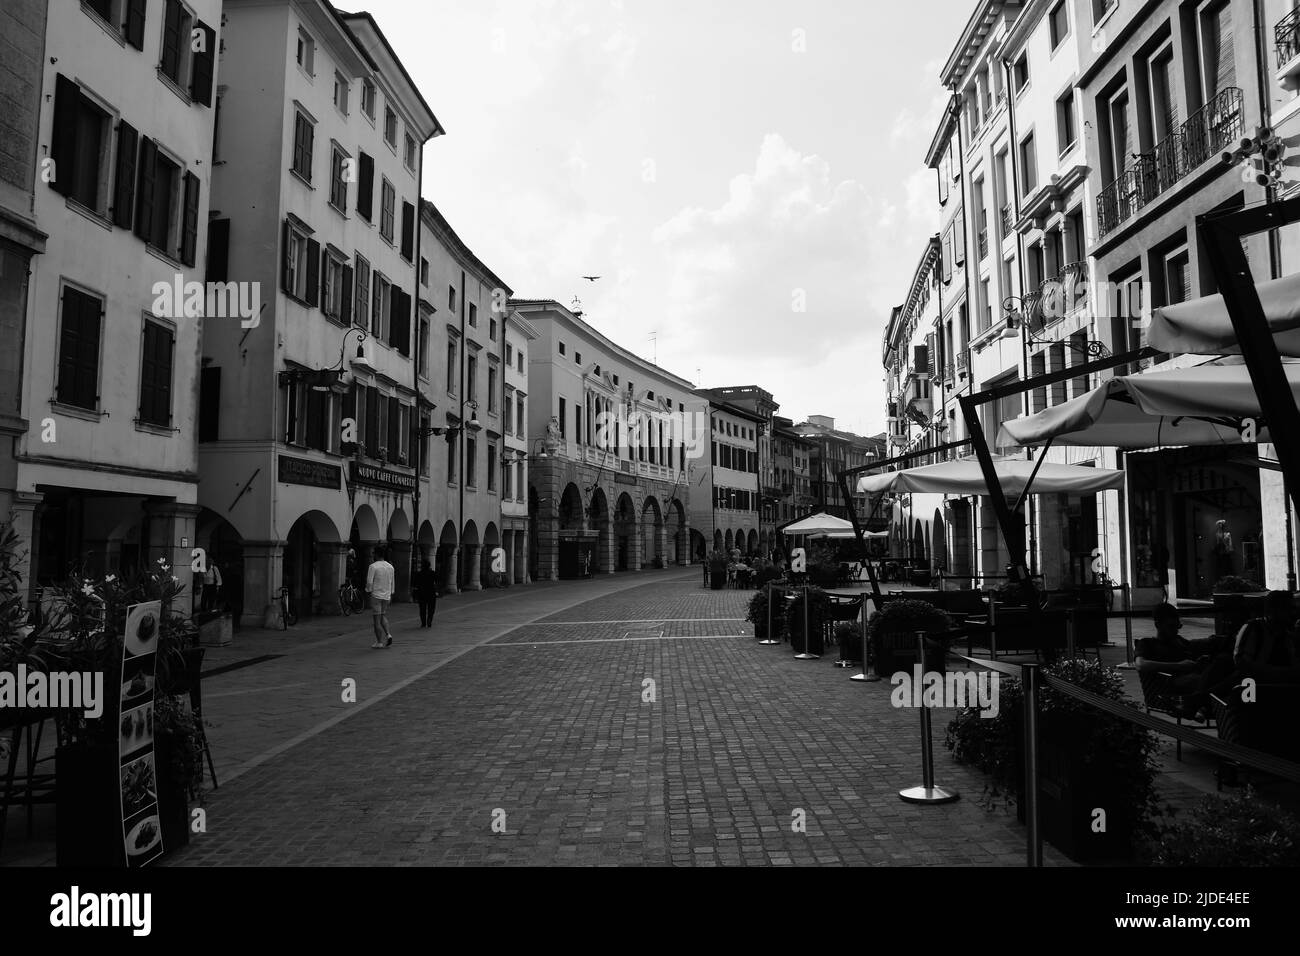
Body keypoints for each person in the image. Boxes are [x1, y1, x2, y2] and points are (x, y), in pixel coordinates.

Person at [1135, 603, 1234, 719]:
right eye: (1171, 627)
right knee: (1221, 683)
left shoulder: (1179, 641)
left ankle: (1202, 705)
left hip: (1194, 682)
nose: (1176, 631)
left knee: (1225, 662)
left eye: (1178, 626)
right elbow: (1141, 665)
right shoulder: (1147, 643)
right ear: (1158, 625)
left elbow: (1195, 646)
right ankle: (1203, 705)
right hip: (1171, 688)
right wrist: (1179, 666)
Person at [1233, 590, 1300, 682]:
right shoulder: (1255, 628)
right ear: (1272, 610)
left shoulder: (1288, 634)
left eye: (1294, 608)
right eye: (1287, 608)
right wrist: (1281, 673)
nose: (1293, 613)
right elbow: (1243, 665)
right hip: (1253, 686)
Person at [366, 546, 395, 648]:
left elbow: (369, 582)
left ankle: (379, 642)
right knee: (383, 615)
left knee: (376, 619)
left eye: (374, 553)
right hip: (386, 595)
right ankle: (388, 634)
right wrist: (391, 592)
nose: (373, 555)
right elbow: (392, 582)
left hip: (376, 595)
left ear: (377, 554)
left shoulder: (373, 566)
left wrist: (368, 590)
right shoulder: (390, 567)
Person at [413, 557, 438, 629]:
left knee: (422, 608)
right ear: (429, 565)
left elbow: (415, 583)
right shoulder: (432, 573)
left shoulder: (419, 574)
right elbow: (437, 581)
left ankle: (423, 623)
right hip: (431, 592)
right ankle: (429, 620)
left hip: (421, 593)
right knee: (431, 608)